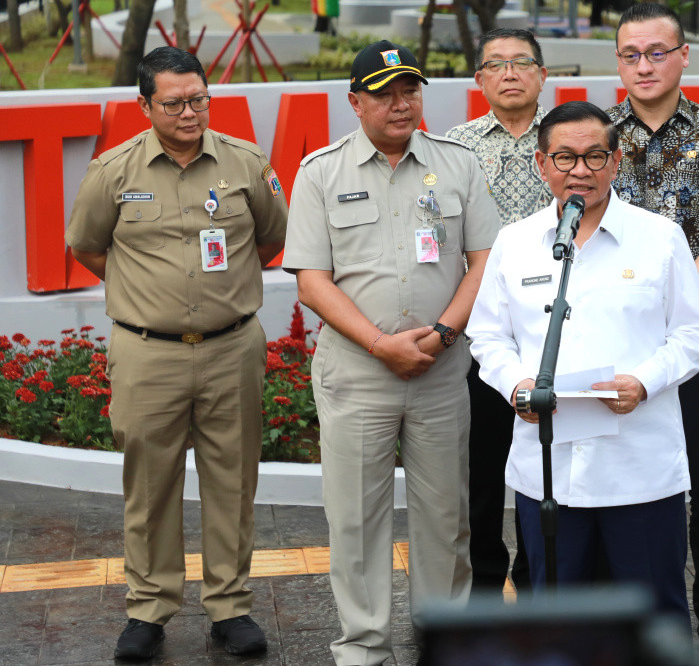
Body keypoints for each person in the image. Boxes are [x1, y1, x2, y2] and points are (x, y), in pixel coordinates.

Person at [65, 46, 289, 660]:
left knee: (233, 479)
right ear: (145, 105)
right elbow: (87, 246)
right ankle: (148, 611)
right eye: (173, 103)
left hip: (231, 348)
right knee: (150, 485)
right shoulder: (113, 170)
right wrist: (151, 298)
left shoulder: (244, 164)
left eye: (198, 99)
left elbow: (272, 238)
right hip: (147, 354)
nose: (190, 113)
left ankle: (230, 607)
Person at [283, 40, 500, 666]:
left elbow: (485, 261)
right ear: (355, 102)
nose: (400, 104)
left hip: (439, 368)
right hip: (357, 373)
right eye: (383, 93)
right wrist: (381, 344)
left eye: (409, 90)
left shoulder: (458, 164)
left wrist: (443, 335)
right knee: (355, 520)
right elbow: (311, 280)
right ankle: (364, 647)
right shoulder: (320, 172)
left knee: (445, 516)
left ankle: (445, 641)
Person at [467, 100, 699, 620]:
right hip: (549, 469)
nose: (580, 169)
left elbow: (694, 334)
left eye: (594, 156)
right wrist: (517, 385)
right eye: (564, 157)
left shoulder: (659, 237)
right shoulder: (515, 243)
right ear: (542, 165)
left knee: (654, 618)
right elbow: (488, 336)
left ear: (616, 161)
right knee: (556, 621)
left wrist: (644, 383)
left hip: (639, 468)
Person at [607, 2, 699, 645]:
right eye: (631, 55)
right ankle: (631, 614)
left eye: (657, 52)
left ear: (683, 55)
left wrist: (665, 306)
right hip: (616, 351)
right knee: (624, 487)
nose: (644, 66)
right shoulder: (599, 139)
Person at [444, 28, 551, 598]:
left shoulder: (570, 139)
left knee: (545, 465)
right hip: (477, 335)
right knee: (480, 472)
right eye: (496, 65)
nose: (510, 74)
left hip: (551, 333)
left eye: (522, 63)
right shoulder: (452, 148)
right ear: (479, 79)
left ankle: (539, 581)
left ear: (542, 74)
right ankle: (484, 584)